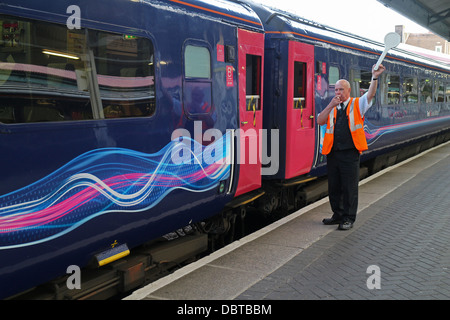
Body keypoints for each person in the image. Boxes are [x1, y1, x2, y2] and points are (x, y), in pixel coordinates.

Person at [317, 64, 386, 230]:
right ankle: (337, 215)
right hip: (333, 153)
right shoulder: (332, 107)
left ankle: (348, 218)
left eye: (341, 89)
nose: (338, 92)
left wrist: (374, 77)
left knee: (349, 187)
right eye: (336, 90)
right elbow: (320, 120)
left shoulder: (357, 104)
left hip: (350, 153)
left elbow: (370, 94)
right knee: (334, 186)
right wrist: (330, 106)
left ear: (348, 91)